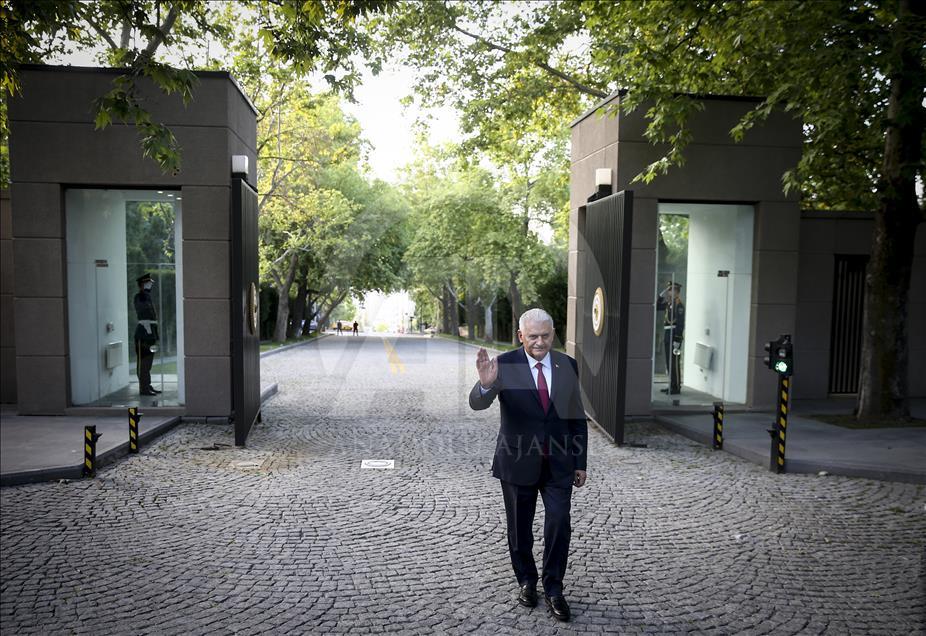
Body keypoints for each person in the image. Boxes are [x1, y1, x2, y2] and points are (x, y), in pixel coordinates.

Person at [469, 308, 588, 622]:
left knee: (559, 523)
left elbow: (577, 416)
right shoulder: (504, 365)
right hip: (517, 461)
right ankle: (526, 580)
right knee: (519, 528)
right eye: (533, 336)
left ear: (553, 334)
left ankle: (554, 588)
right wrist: (485, 385)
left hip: (559, 463)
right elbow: (478, 403)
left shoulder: (567, 365)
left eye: (545, 335)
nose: (539, 342)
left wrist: (580, 461)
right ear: (520, 335)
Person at [133, 273, 160, 396]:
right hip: (143, 334)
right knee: (143, 363)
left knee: (148, 363)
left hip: (150, 334)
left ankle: (147, 385)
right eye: (148, 283)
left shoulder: (147, 297)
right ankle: (143, 388)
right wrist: (144, 293)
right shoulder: (140, 297)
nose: (150, 285)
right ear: (142, 285)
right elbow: (143, 312)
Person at [656, 281, 685, 394]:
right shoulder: (669, 304)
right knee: (669, 362)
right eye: (668, 290)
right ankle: (671, 385)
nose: (669, 292)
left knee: (674, 362)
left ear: (676, 291)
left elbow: (680, 323)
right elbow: (657, 306)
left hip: (674, 334)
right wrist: (660, 295)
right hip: (668, 334)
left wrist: (677, 339)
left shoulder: (679, 305)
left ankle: (676, 387)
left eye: (670, 290)